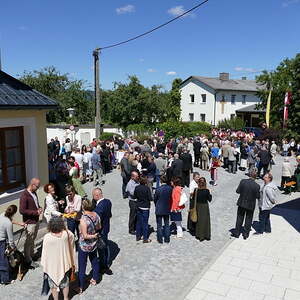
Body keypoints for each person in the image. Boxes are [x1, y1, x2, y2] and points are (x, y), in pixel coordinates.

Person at [41, 217, 75, 300]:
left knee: (53, 285)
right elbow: (72, 238)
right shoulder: (66, 234)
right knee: (65, 283)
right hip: (64, 264)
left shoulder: (47, 237)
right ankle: (66, 298)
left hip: (51, 266)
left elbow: (45, 253)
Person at [78, 199, 101, 293]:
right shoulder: (96, 215)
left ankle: (80, 287)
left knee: (82, 265)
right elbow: (99, 227)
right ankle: (95, 279)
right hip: (94, 244)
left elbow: (85, 236)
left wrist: (92, 235)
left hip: (84, 246)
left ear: (83, 207)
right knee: (94, 261)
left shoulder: (83, 219)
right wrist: (95, 235)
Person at [19, 178, 43, 267]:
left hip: (35, 220)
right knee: (28, 241)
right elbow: (22, 210)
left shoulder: (33, 193)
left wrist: (39, 208)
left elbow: (35, 204)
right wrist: (35, 212)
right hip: (29, 222)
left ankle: (32, 255)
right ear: (32, 184)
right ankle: (28, 260)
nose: (38, 188)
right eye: (37, 186)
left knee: (33, 240)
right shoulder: (24, 195)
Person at [0, 205, 26, 284]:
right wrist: (14, 248)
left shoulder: (2, 214)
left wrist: (19, 223)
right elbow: (11, 240)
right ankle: (5, 280)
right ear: (13, 213)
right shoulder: (8, 223)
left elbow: (10, 220)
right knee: (3, 261)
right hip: (1, 242)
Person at [232, 170, 260, 239]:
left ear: (249, 175)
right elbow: (258, 196)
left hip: (242, 203)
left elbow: (237, 191)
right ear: (255, 177)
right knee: (249, 219)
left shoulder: (243, 181)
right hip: (250, 205)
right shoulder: (257, 186)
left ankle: (237, 232)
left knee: (239, 218)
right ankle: (245, 234)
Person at [93, 188, 112, 274]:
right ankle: (106, 262)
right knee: (106, 245)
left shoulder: (99, 207)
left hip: (102, 229)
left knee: (101, 248)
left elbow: (96, 219)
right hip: (106, 227)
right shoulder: (108, 201)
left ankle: (104, 265)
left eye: (93, 195)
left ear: (97, 195)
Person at [154, 175, 172, 244]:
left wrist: (156, 205)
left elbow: (155, 199)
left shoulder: (158, 189)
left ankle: (160, 239)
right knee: (167, 224)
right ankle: (167, 239)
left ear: (161, 181)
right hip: (167, 208)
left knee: (159, 225)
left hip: (159, 209)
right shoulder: (170, 188)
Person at [134, 176, 153, 243]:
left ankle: (138, 236)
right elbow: (150, 198)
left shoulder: (137, 188)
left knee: (138, 222)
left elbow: (134, 196)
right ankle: (145, 238)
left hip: (139, 206)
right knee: (145, 223)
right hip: (145, 207)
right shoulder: (147, 188)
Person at [193, 177, 212, 241]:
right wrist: (210, 194)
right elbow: (210, 199)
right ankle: (206, 235)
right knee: (205, 221)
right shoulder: (206, 191)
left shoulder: (196, 190)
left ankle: (199, 235)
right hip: (204, 207)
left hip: (198, 206)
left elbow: (193, 199)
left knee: (199, 221)